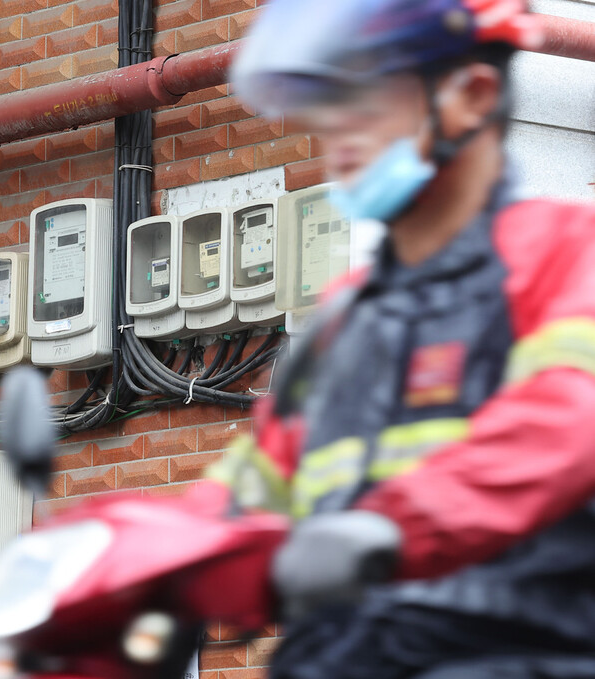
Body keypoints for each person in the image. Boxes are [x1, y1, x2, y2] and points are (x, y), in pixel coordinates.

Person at [220, 1, 595, 677]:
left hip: (520, 646)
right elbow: (249, 487)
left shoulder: (569, 253)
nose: (334, 129)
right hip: (349, 653)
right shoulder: (344, 314)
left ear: (471, 96)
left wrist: (390, 527)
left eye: (364, 95)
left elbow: (566, 421)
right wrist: (111, 560)